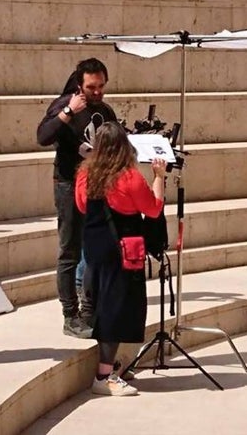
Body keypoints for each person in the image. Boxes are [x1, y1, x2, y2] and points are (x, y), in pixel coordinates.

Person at [75, 121, 166, 396]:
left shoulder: (84, 174)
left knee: (105, 307)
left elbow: (81, 205)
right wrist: (159, 177)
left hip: (95, 250)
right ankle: (104, 377)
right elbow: (152, 209)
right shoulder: (129, 177)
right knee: (114, 312)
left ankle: (112, 366)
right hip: (122, 253)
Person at [36, 59, 118, 339]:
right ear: (79, 85)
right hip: (69, 185)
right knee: (69, 251)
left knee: (95, 250)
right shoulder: (64, 106)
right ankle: (69, 315)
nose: (97, 92)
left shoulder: (105, 111)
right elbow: (43, 136)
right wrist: (70, 111)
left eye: (101, 86)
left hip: (98, 186)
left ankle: (89, 311)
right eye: (91, 87)